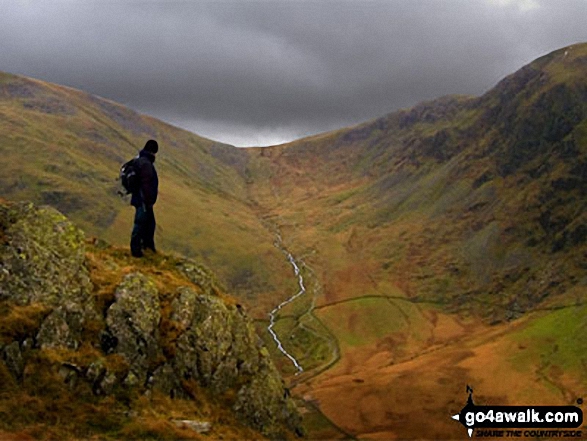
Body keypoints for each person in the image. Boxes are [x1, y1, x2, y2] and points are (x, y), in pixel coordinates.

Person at [130, 139, 159, 257]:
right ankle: (136, 250)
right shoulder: (146, 164)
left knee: (149, 223)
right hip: (143, 200)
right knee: (140, 223)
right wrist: (148, 200)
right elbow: (146, 184)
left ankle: (148, 247)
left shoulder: (139, 161)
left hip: (140, 198)